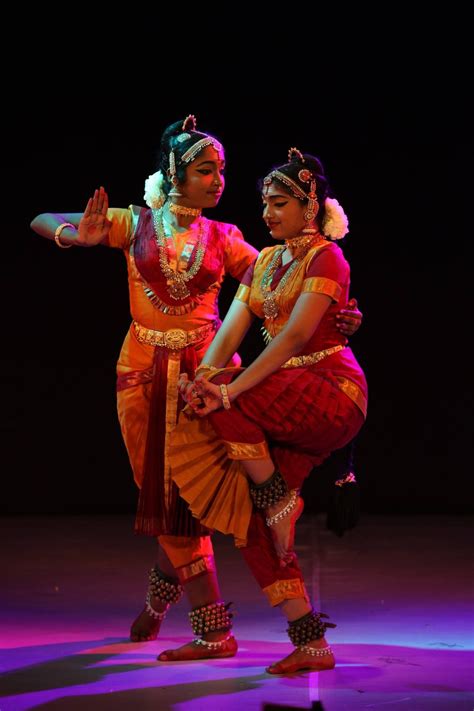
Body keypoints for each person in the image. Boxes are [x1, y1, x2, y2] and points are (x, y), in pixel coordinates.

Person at [30, 119, 362, 660]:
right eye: (206, 170)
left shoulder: (225, 238)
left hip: (205, 377)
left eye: (222, 170)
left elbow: (288, 280)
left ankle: (210, 619)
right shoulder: (133, 224)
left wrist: (341, 313)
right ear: (173, 173)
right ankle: (202, 625)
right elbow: (41, 219)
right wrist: (75, 235)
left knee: (204, 499)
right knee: (166, 499)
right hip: (141, 378)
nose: (218, 180)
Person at [173, 147, 367, 674]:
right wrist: (203, 379)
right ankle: (309, 642)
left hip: (332, 390)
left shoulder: (327, 257)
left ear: (311, 205)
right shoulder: (263, 262)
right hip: (286, 396)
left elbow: (297, 337)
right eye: (265, 204)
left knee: (228, 398)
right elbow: (230, 332)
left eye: (280, 203)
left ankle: (278, 496)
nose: (268, 213)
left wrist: (229, 391)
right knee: (254, 528)